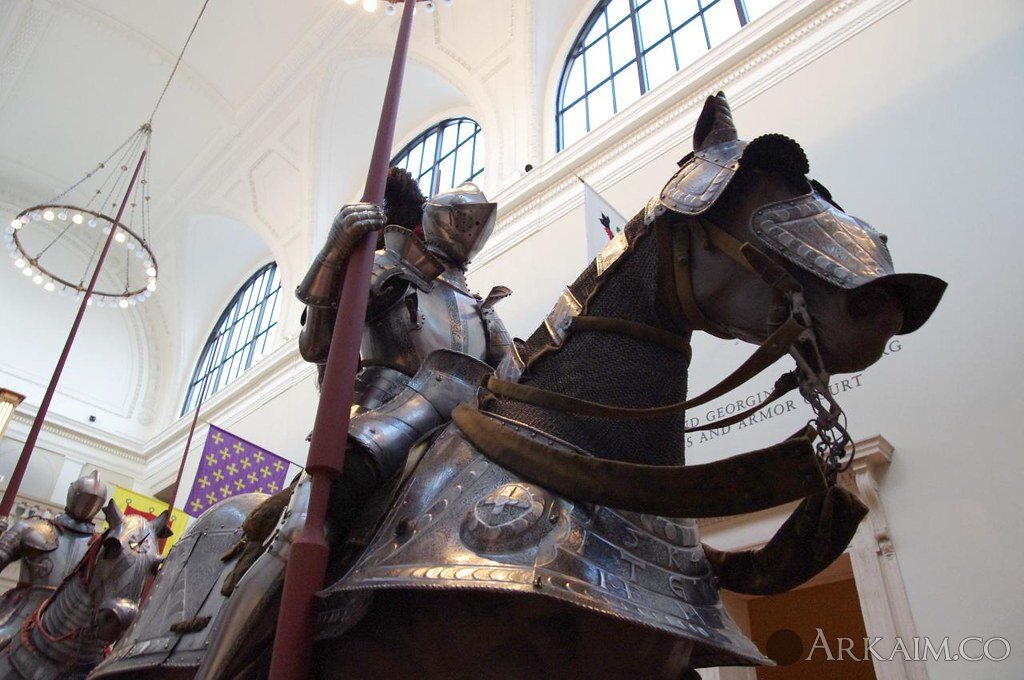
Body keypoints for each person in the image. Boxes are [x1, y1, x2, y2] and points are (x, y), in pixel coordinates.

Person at [191, 170, 513, 678]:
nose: (468, 229)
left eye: (477, 223)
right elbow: (317, 343)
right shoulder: (389, 271)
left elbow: (511, 387)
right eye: (461, 218)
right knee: (305, 525)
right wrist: (336, 251)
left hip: (464, 433)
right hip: (384, 417)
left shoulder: (484, 314)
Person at [0, 471, 107, 646]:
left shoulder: (99, 546)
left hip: (71, 626)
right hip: (22, 613)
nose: (87, 505)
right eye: (84, 499)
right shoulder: (34, 528)